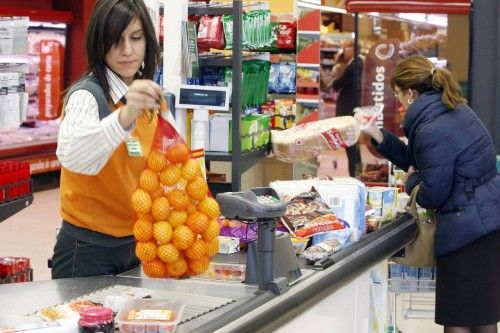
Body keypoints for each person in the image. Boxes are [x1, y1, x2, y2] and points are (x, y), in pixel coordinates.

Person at [357, 55, 500, 333]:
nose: (398, 101)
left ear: (410, 93)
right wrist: (376, 134)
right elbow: (418, 159)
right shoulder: (453, 109)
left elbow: (432, 193)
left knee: (456, 317)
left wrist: (412, 181)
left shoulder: (431, 127)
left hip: (465, 230)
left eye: (397, 94)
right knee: (483, 314)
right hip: (487, 220)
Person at [51, 0, 163, 278]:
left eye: (135, 38)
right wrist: (125, 118)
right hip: (87, 249)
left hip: (134, 245)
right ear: (98, 44)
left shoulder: (143, 94)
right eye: (115, 40)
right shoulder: (86, 96)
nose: (127, 50)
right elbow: (72, 155)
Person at [321, 40, 363, 177]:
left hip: (349, 108)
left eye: (345, 48)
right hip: (350, 107)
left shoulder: (355, 65)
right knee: (350, 143)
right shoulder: (355, 63)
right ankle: (355, 171)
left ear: (351, 49)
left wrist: (333, 84)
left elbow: (342, 82)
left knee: (351, 142)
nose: (343, 51)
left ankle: (355, 172)